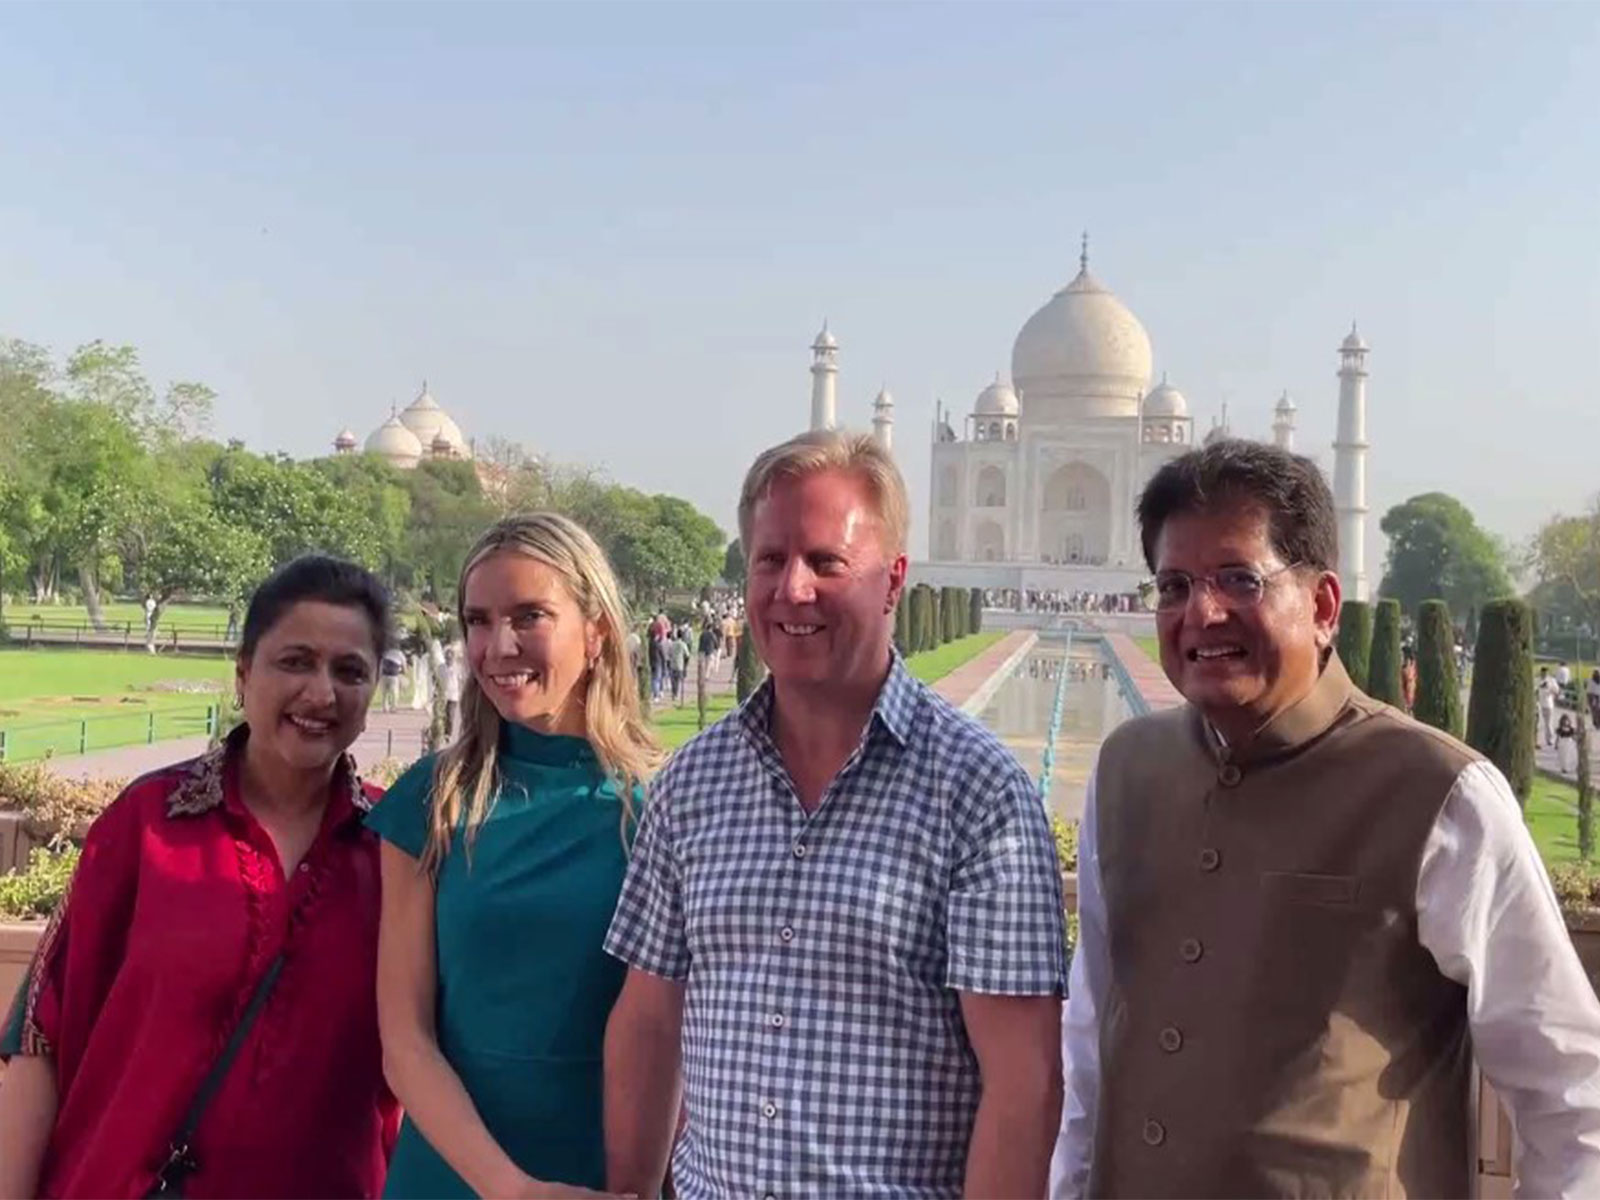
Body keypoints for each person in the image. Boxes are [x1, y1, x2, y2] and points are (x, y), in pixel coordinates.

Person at [1052, 440, 1600, 1199]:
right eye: (1175, 586)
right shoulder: (1127, 771)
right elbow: (1090, 1041)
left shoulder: (1436, 793)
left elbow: (1571, 1095)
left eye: (1239, 578)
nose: (1201, 613)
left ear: (1322, 607)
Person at [603, 430, 1067, 1198]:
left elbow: (1024, 1085)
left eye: (826, 562)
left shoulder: (978, 794)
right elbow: (650, 1020)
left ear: (893, 582)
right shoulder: (692, 785)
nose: (793, 589)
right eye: (770, 559)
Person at [0, 556, 400, 1197]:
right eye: (295, 661)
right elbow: (39, 1035)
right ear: (243, 673)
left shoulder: (397, 850)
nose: (322, 693)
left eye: (349, 671)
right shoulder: (148, 823)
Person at [370, 513, 661, 1198]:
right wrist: (513, 1190)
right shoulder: (434, 799)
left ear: (597, 631)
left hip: (607, 1177)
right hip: (451, 1176)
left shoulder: (663, 806)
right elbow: (405, 1043)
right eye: (478, 621)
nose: (498, 647)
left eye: (530, 616)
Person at [440, 644, 463, 740]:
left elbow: (460, 680)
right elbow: (437, 680)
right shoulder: (441, 667)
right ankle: (442, 732)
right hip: (443, 694)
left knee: (450, 715)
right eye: (447, 656)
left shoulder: (457, 668)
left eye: (450, 657)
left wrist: (461, 692)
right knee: (442, 715)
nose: (449, 658)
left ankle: (448, 734)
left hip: (453, 695)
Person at [381, 644, 408, 713]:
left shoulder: (386, 652)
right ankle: (393, 707)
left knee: (384, 692)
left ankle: (384, 707)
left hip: (384, 673)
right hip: (393, 674)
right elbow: (404, 666)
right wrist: (404, 673)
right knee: (394, 692)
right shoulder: (400, 653)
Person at [666, 626, 690, 705]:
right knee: (678, 680)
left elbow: (669, 653)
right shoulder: (683, 644)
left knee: (673, 680)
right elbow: (687, 655)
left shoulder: (673, 644)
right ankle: (676, 693)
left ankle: (674, 693)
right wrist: (686, 664)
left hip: (673, 664)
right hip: (680, 664)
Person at [1538, 666, 1561, 748]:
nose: (1544, 674)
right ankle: (1538, 739)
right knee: (1539, 723)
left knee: (1548, 723)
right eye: (1543, 673)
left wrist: (1552, 691)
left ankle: (1550, 739)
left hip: (1548, 704)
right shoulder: (1537, 680)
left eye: (1546, 673)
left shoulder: (1551, 680)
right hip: (1539, 703)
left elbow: (1557, 690)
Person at [1557, 712, 1580, 776]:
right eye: (1564, 720)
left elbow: (1573, 736)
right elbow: (1559, 736)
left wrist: (1576, 739)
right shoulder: (1560, 729)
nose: (1566, 722)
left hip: (1570, 743)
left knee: (1572, 755)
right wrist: (1556, 744)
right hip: (1563, 743)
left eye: (1567, 720)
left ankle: (1573, 767)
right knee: (1563, 756)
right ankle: (1564, 768)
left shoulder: (1571, 729)